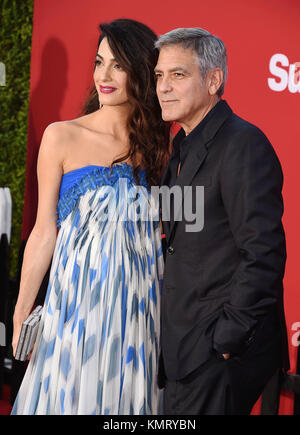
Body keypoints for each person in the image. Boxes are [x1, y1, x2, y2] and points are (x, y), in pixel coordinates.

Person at [11, 18, 170, 415]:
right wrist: (20, 313)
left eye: (118, 65)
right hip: (76, 313)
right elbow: (44, 231)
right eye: (99, 63)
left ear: (141, 72)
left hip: (139, 318)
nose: (104, 75)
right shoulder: (62, 136)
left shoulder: (157, 148)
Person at [155, 27, 289, 415]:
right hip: (181, 348)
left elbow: (263, 253)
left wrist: (226, 339)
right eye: (159, 76)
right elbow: (184, 240)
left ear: (214, 80)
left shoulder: (243, 144)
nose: (163, 87)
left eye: (177, 75)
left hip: (217, 353)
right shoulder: (180, 146)